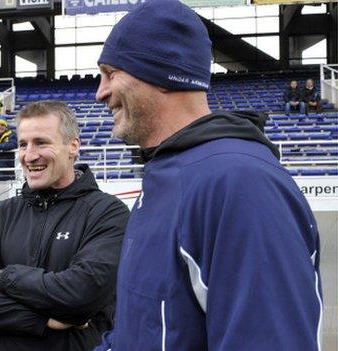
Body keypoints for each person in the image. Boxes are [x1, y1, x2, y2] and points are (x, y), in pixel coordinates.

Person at [94, 0, 323, 350]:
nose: (100, 93)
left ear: (162, 73)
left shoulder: (239, 183)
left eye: (111, 73)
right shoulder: (168, 173)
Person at [0, 101, 129, 351]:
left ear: (73, 146)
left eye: (41, 142)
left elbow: (80, 295)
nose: (29, 155)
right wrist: (43, 320)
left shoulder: (107, 213)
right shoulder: (1, 214)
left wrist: (7, 277)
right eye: (23, 144)